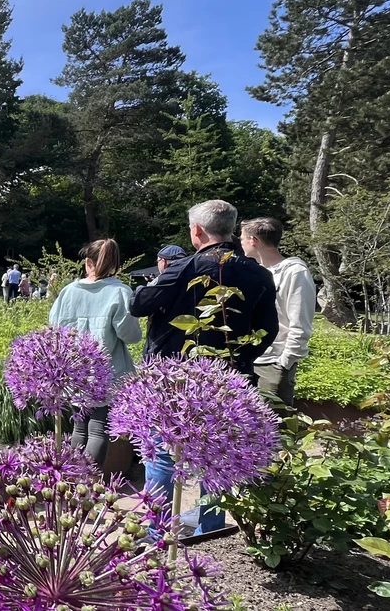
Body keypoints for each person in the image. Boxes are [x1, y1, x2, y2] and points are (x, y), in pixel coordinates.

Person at [129, 200, 278, 536]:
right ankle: (209, 530)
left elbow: (140, 305)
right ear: (230, 228)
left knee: (163, 456)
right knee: (218, 457)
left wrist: (143, 286)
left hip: (172, 380)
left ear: (196, 230)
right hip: (229, 378)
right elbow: (268, 329)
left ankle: (157, 532)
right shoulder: (259, 273)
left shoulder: (182, 268)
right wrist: (240, 360)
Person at [49, 239, 141, 468]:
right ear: (115, 264)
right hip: (107, 372)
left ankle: (69, 481)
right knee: (98, 430)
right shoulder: (120, 291)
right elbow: (130, 335)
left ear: (87, 262)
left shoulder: (68, 291)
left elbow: (53, 326)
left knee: (79, 427)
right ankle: (87, 482)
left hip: (73, 371)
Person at [241, 217, 316, 408]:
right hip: (250, 360)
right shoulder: (256, 272)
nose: (239, 243)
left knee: (275, 429)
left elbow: (300, 321)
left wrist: (284, 363)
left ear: (253, 241)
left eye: (242, 238)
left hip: (273, 364)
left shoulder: (295, 272)